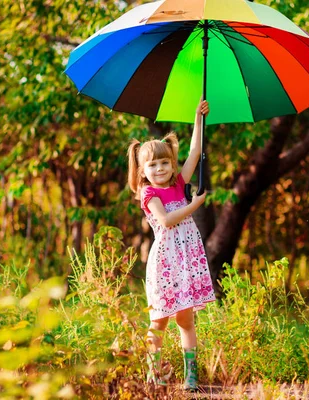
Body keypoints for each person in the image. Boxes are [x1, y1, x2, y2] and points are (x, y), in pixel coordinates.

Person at [127, 100, 216, 392]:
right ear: (142, 171)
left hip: (186, 259)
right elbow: (165, 221)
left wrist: (198, 120)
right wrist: (194, 204)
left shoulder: (178, 182)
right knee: (160, 320)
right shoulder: (148, 192)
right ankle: (155, 375)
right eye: (152, 165)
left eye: (165, 162)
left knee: (186, 319)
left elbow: (194, 153)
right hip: (166, 261)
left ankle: (191, 375)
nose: (160, 168)